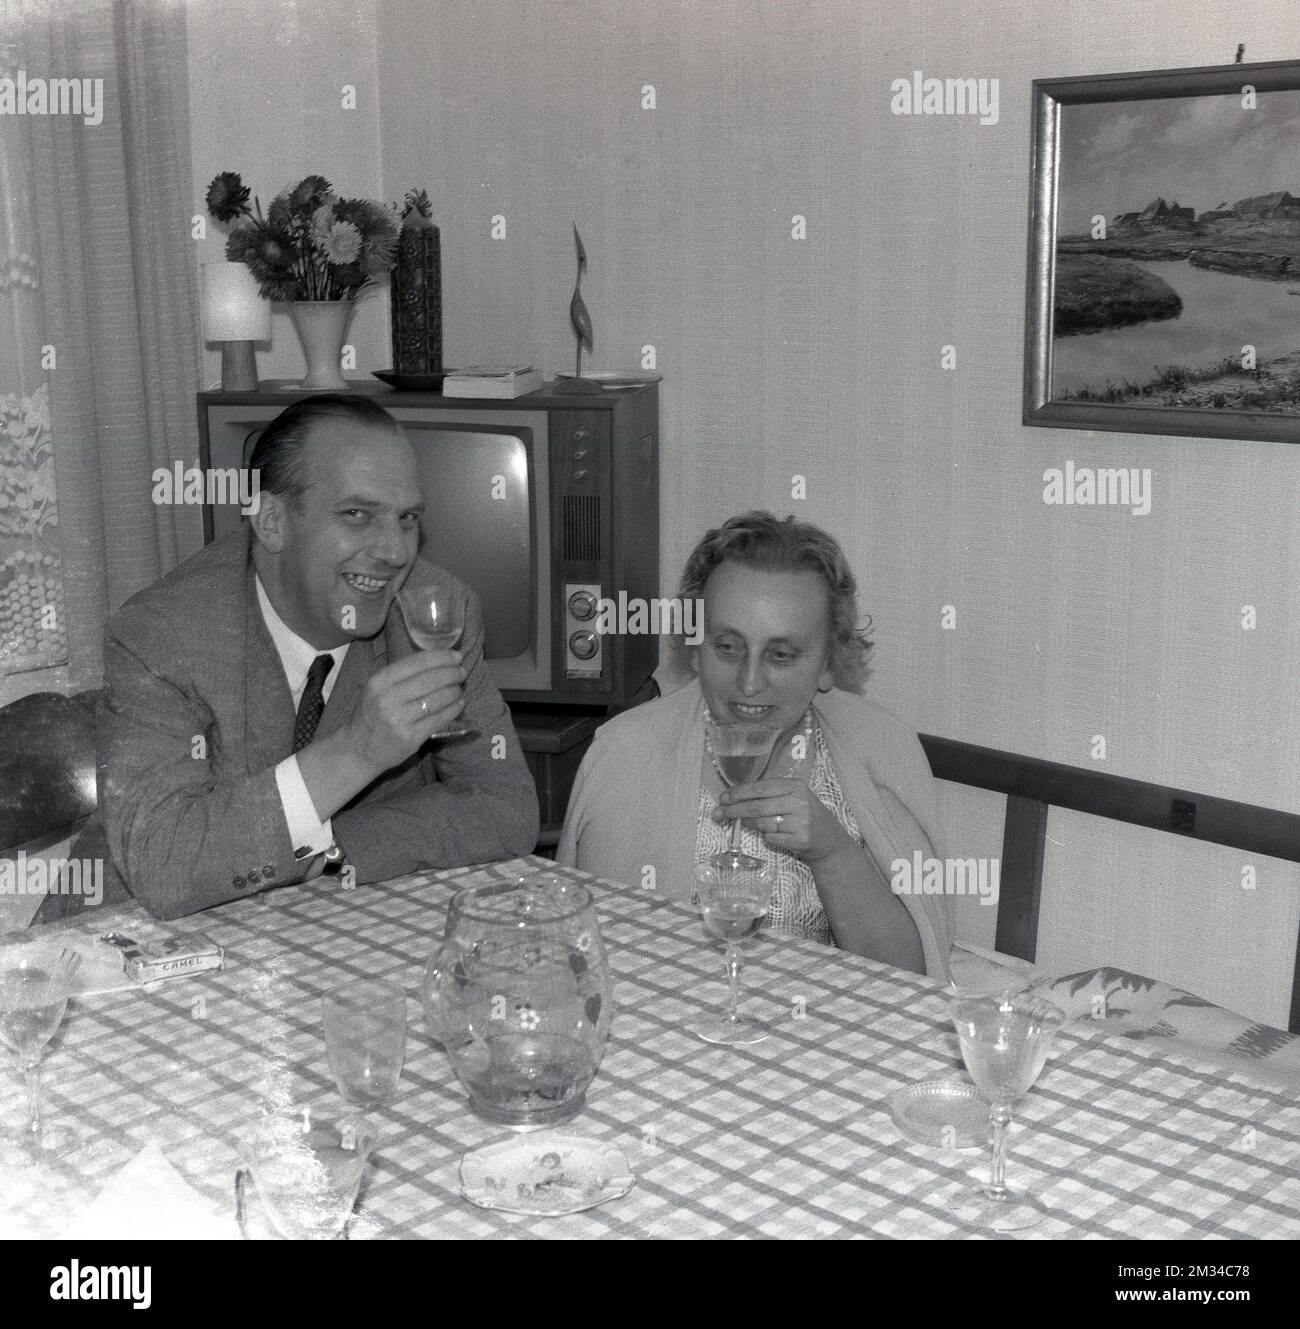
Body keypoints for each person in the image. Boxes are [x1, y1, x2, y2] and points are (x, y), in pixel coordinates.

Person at [73, 393, 538, 920]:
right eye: (357, 514)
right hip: (126, 956)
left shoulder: (432, 616)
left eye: (407, 518)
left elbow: (507, 808)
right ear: (271, 522)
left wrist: (331, 843)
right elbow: (167, 866)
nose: (394, 551)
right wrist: (359, 751)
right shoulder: (163, 636)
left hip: (324, 934)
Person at [558, 511, 951, 978]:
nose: (748, 682)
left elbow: (908, 980)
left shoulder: (883, 751)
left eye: (781, 655)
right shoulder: (627, 754)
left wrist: (830, 850)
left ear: (828, 663)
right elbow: (593, 959)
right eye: (727, 647)